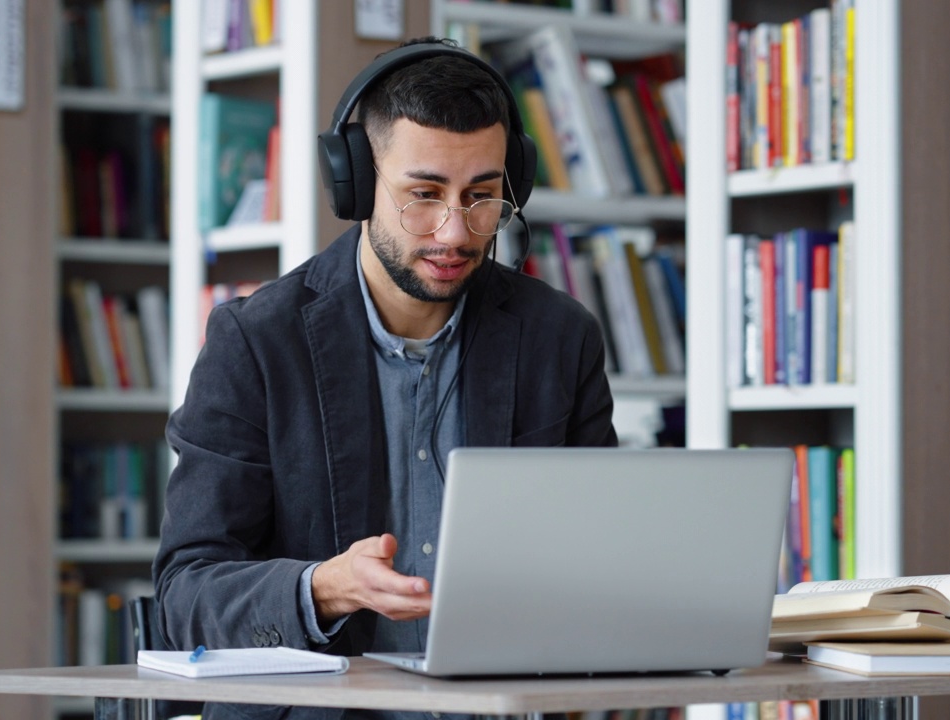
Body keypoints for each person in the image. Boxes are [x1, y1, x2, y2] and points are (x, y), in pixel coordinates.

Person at [153, 37, 618, 720]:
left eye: (482, 196)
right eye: (423, 195)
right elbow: (185, 595)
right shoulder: (257, 342)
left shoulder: (559, 338)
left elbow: (598, 561)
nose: (455, 232)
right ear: (358, 184)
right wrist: (323, 588)